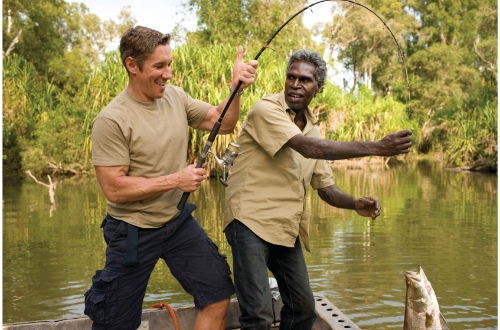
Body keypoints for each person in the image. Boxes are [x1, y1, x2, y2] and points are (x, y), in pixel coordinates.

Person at [84, 26, 258, 330]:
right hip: (132, 231)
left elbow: (224, 122)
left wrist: (236, 89)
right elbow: (114, 189)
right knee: (116, 323)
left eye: (170, 64)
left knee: (217, 296)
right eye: (159, 66)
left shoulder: (175, 97)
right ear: (132, 65)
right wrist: (175, 180)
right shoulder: (111, 120)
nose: (168, 74)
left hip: (177, 223)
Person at [223, 49, 412, 329]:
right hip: (248, 221)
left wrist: (354, 203)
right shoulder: (266, 109)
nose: (296, 84)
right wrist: (377, 147)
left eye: (305, 80)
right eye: (291, 77)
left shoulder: (313, 127)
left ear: (318, 88)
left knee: (303, 309)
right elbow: (308, 148)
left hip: (285, 228)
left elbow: (325, 188)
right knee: (259, 315)